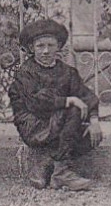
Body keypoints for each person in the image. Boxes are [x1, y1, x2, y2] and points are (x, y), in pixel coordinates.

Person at [8, 18, 102, 192]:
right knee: (74, 109)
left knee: (91, 137)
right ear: (31, 49)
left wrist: (94, 120)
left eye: (50, 45)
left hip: (59, 122)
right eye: (40, 46)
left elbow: (85, 95)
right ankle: (61, 172)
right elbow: (35, 102)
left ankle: (45, 165)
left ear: (58, 46)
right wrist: (68, 100)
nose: (45, 51)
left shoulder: (67, 72)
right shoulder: (25, 73)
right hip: (34, 124)